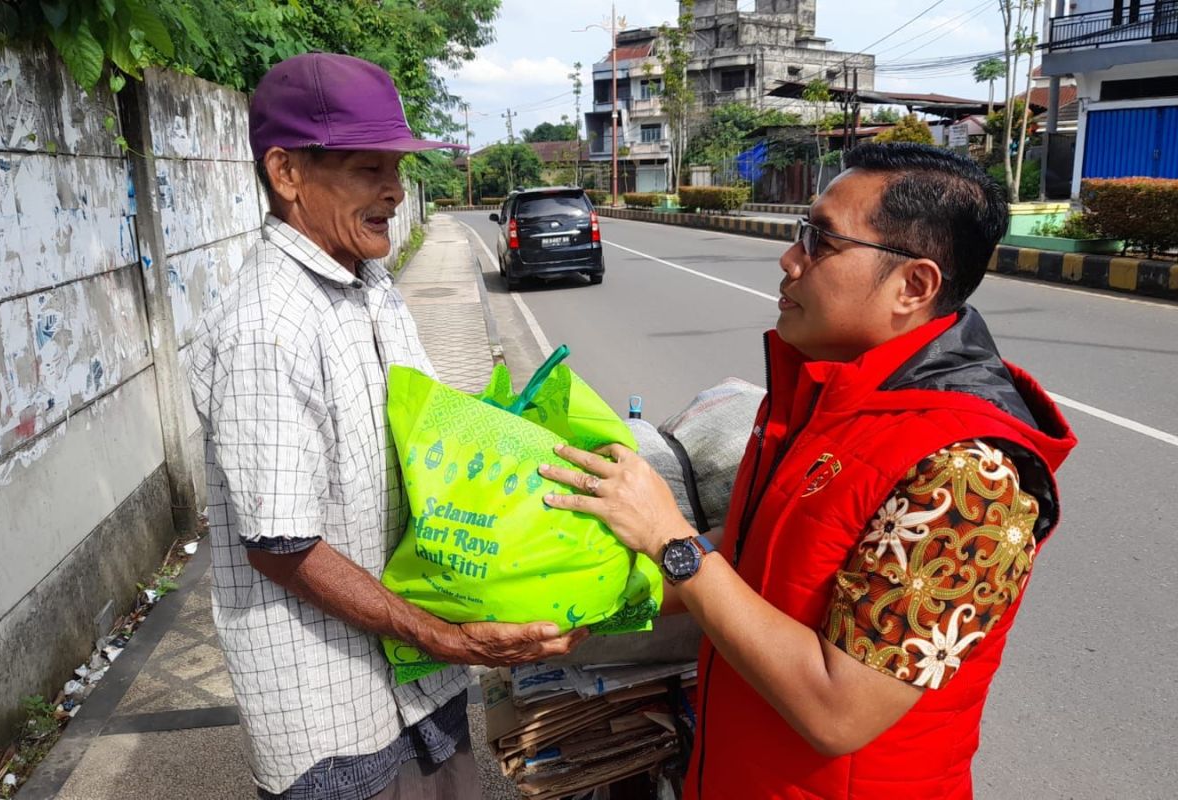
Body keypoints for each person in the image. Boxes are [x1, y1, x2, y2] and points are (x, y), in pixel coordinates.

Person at [540, 142, 1077, 799]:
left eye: (820, 241)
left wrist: (668, 538)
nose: (789, 259)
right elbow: (739, 561)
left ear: (914, 286)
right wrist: (591, 612)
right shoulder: (821, 398)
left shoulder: (971, 474)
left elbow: (838, 709)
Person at [188, 53, 585, 800]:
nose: (395, 190)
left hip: (418, 680)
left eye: (396, 166)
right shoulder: (266, 325)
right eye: (369, 168)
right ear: (287, 173)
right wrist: (444, 636)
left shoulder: (369, 287)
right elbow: (282, 545)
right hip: (332, 699)